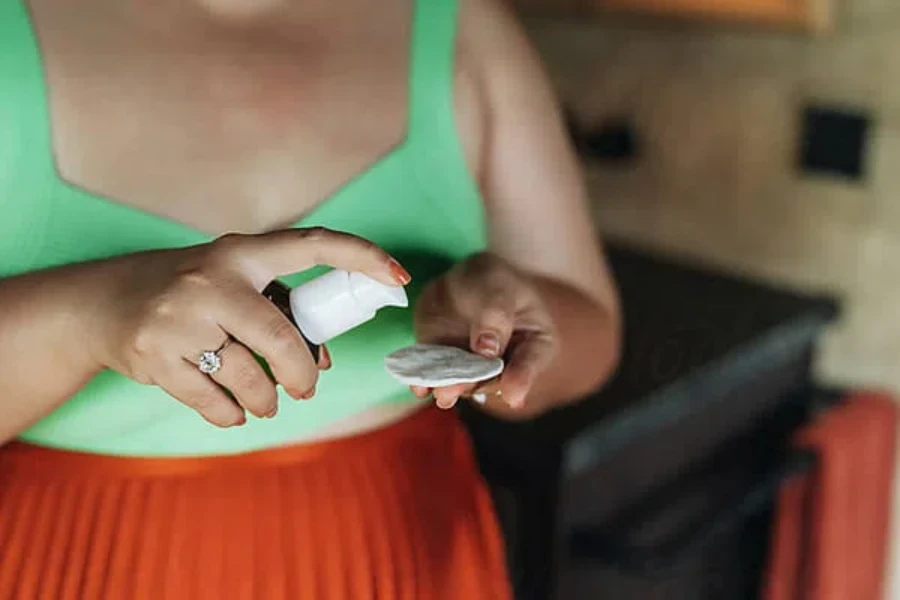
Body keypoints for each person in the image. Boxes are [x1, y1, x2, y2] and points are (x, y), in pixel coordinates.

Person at [0, 0, 621, 597]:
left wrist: (513, 328)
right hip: (70, 556)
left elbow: (590, 338)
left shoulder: (465, 27)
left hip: (400, 547)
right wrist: (92, 315)